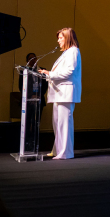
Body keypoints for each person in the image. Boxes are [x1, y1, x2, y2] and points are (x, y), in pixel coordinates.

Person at [39, 28, 82, 160]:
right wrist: (47, 74)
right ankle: (58, 150)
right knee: (57, 123)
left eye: (60, 38)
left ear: (68, 38)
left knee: (64, 124)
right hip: (59, 93)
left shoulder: (73, 51)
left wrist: (49, 74)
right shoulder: (66, 53)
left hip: (65, 92)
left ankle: (65, 153)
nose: (58, 41)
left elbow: (69, 72)